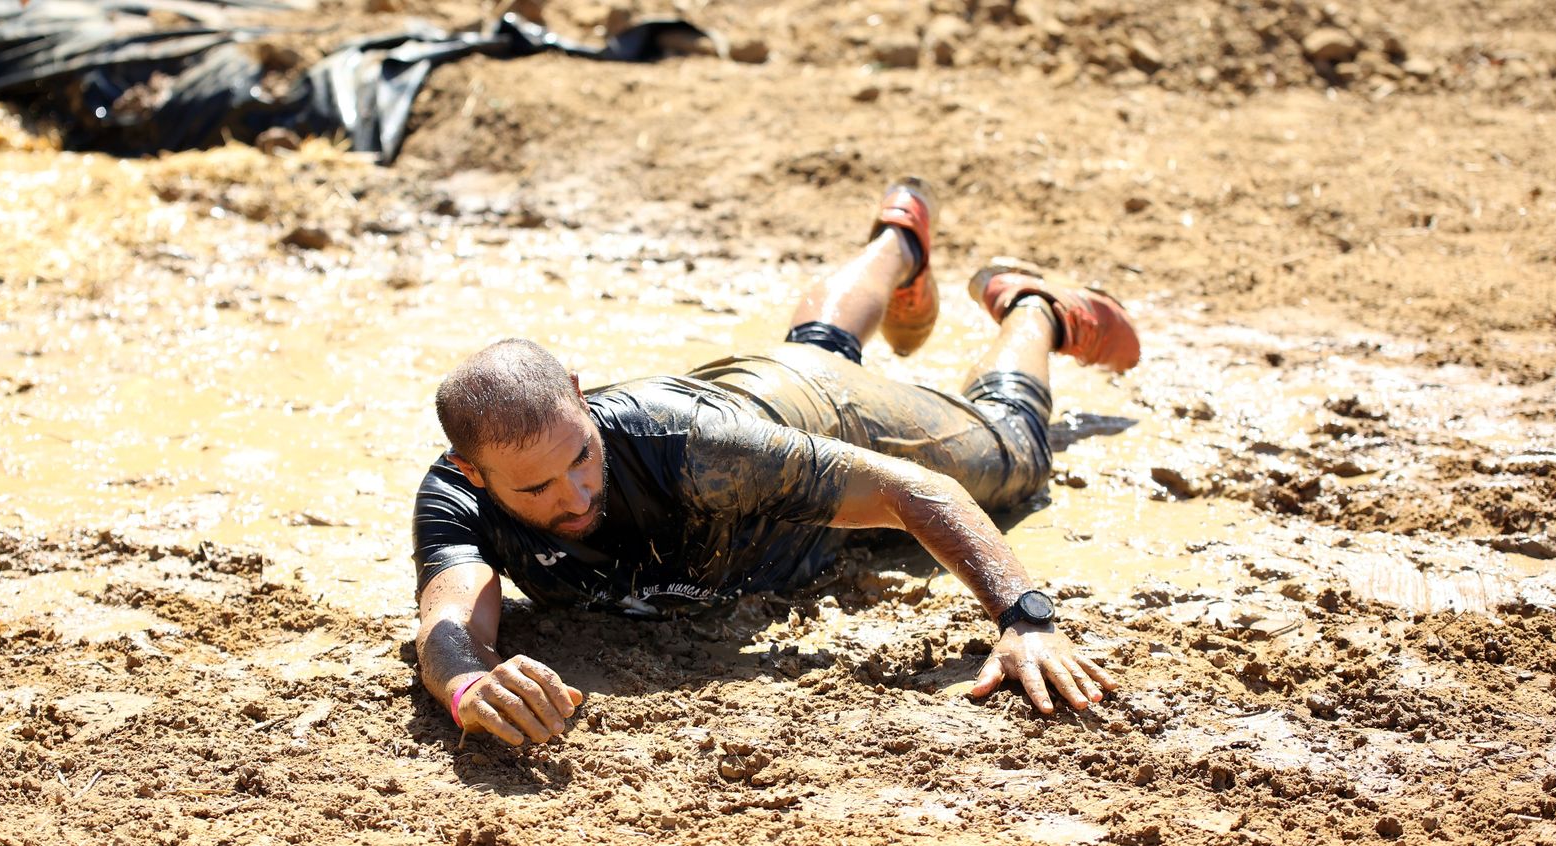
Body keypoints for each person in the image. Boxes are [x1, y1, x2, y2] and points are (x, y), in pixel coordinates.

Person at [412, 178, 1142, 747]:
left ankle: (1036, 307)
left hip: (821, 410)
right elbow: (451, 627)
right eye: (537, 486)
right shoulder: (456, 498)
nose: (574, 495)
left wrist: (1026, 619)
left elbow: (916, 490)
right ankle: (900, 243)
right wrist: (469, 689)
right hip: (763, 399)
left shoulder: (690, 449)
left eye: (582, 457)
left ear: (578, 396)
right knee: (813, 347)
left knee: (1014, 457)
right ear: (473, 472)